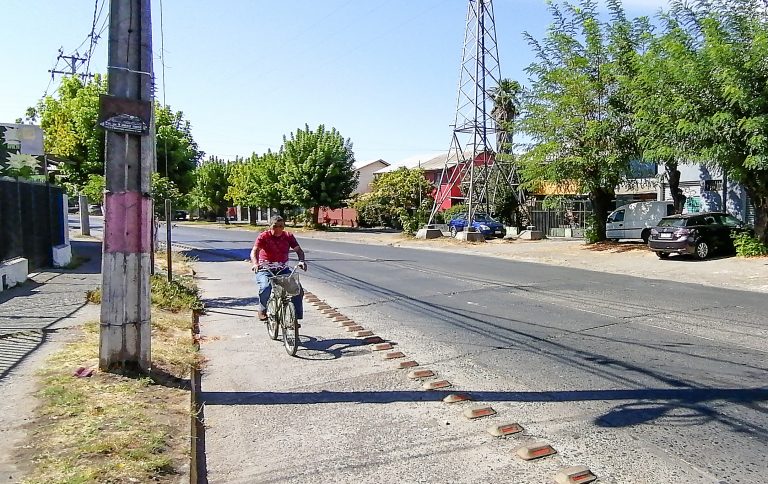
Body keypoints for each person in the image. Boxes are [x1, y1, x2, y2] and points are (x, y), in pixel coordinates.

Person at [250, 215, 307, 322]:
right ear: (270, 226)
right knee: (266, 287)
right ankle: (262, 309)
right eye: (275, 226)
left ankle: (295, 317)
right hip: (265, 269)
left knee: (297, 290)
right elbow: (255, 251)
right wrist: (255, 263)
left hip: (282, 269)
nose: (278, 229)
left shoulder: (288, 236)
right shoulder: (263, 236)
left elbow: (299, 250)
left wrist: (301, 261)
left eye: (281, 226)